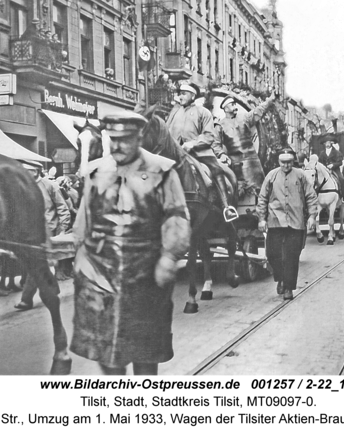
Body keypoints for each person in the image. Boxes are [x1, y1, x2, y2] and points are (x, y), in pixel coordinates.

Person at [70, 111, 191, 375]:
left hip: (145, 270)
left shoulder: (162, 170)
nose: (116, 146)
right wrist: (76, 252)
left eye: (124, 139)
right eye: (112, 139)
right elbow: (84, 219)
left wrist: (169, 256)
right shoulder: (96, 171)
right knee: (105, 346)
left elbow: (176, 214)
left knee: (145, 348)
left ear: (138, 137)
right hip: (100, 268)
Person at [167, 82, 238, 222]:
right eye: (179, 93)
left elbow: (209, 135)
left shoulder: (203, 112)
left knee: (217, 170)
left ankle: (226, 207)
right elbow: (166, 132)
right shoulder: (174, 113)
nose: (180, 96)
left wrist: (192, 144)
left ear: (192, 95)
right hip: (176, 154)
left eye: (184, 94)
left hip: (200, 153)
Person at [256, 149, 318, 301]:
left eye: (289, 162)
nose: (286, 165)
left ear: (293, 161)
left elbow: (310, 196)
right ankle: (281, 278)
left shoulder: (300, 175)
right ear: (279, 162)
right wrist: (262, 219)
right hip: (275, 220)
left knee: (292, 256)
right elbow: (263, 197)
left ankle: (288, 287)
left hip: (295, 222)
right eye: (283, 162)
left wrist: (312, 216)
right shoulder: (271, 175)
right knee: (272, 254)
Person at [14, 161, 71, 311]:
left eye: (28, 170)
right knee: (39, 264)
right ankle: (53, 288)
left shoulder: (49, 185)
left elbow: (62, 207)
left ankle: (26, 300)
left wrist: (63, 229)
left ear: (36, 170)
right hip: (30, 232)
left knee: (36, 265)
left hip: (48, 230)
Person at [212, 92, 275, 194]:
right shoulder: (220, 125)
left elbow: (258, 111)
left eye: (234, 103)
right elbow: (215, 144)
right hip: (237, 166)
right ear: (225, 109)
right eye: (232, 104)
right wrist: (221, 154)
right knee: (240, 194)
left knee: (260, 193)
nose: (235, 105)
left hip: (253, 163)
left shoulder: (244, 118)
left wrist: (269, 101)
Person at [317, 135, 344, 202]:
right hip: (324, 170)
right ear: (324, 144)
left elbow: (340, 162)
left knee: (341, 179)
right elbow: (319, 163)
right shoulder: (322, 154)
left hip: (335, 170)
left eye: (328, 142)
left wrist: (333, 165)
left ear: (331, 143)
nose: (327, 144)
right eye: (326, 143)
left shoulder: (337, 152)